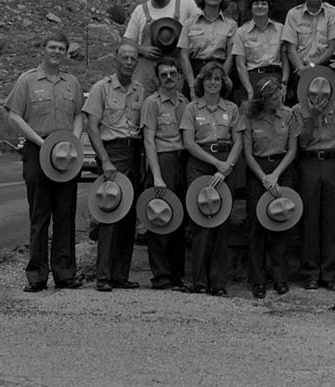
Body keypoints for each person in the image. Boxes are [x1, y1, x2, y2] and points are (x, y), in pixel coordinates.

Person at [4, 32, 84, 292]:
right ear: (43, 50)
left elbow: (79, 114)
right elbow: (14, 115)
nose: (57, 52)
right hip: (38, 150)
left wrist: (74, 140)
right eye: (52, 47)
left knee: (65, 215)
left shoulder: (71, 82)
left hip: (65, 154)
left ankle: (65, 274)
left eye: (62, 48)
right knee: (39, 216)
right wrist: (41, 142)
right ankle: (37, 276)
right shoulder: (27, 81)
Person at [83, 39, 145, 292]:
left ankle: (121, 274)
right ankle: (104, 276)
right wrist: (105, 160)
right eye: (125, 58)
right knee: (110, 212)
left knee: (129, 215)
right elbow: (92, 126)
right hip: (113, 152)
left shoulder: (140, 90)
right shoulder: (102, 88)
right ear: (115, 58)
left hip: (135, 151)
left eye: (133, 59)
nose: (129, 62)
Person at [181, 62, 244, 296]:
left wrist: (226, 165)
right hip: (200, 164)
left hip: (226, 164)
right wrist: (215, 163)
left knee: (221, 223)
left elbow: (238, 140)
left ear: (223, 83)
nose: (213, 82)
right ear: (201, 82)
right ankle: (199, 281)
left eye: (217, 78)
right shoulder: (192, 108)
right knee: (201, 222)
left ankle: (218, 282)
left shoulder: (232, 108)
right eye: (208, 78)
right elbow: (188, 142)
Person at [241, 78, 300, 297]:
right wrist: (264, 177)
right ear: (263, 100)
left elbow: (292, 150)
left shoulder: (288, 115)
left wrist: (275, 175)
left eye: (280, 96)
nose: (279, 100)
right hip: (258, 170)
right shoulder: (249, 117)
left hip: (282, 170)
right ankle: (258, 279)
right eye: (274, 98)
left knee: (281, 222)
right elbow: (247, 153)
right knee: (257, 227)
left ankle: (280, 277)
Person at [140, 58, 189, 291]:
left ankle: (176, 274)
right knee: (160, 216)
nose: (169, 78)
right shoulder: (152, 103)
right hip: (163, 160)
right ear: (158, 78)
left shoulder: (184, 102)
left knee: (179, 219)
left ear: (179, 76)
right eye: (164, 75)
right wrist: (157, 175)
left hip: (183, 160)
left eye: (172, 73)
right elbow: (148, 140)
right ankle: (160, 276)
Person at [294, 74, 335, 291]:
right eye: (314, 94)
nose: (319, 99)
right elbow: (302, 143)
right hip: (310, 162)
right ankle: (310, 273)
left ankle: (330, 273)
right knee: (310, 220)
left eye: (324, 95)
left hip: (332, 161)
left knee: (331, 220)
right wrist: (312, 118)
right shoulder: (298, 110)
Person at [122, 0, 200, 97]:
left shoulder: (185, 4)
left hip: (176, 70)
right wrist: (141, 49)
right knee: (140, 105)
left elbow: (201, 28)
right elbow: (126, 40)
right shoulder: (140, 10)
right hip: (147, 73)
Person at [282, 0, 335, 88]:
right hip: (299, 69)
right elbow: (291, 50)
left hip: (325, 68)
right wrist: (302, 69)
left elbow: (331, 48)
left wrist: (312, 66)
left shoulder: (333, 13)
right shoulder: (293, 14)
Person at [230, 0, 287, 101]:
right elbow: (240, 65)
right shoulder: (241, 32)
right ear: (250, 7)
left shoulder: (280, 29)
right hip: (253, 79)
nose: (260, 6)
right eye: (256, 3)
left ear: (269, 6)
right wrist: (249, 90)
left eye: (264, 3)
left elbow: (285, 60)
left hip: (275, 78)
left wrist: (284, 83)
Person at [185, 0, 238, 93]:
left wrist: (222, 78)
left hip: (220, 71)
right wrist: (191, 84)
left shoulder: (231, 25)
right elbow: (184, 56)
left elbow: (230, 56)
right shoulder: (190, 23)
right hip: (196, 71)